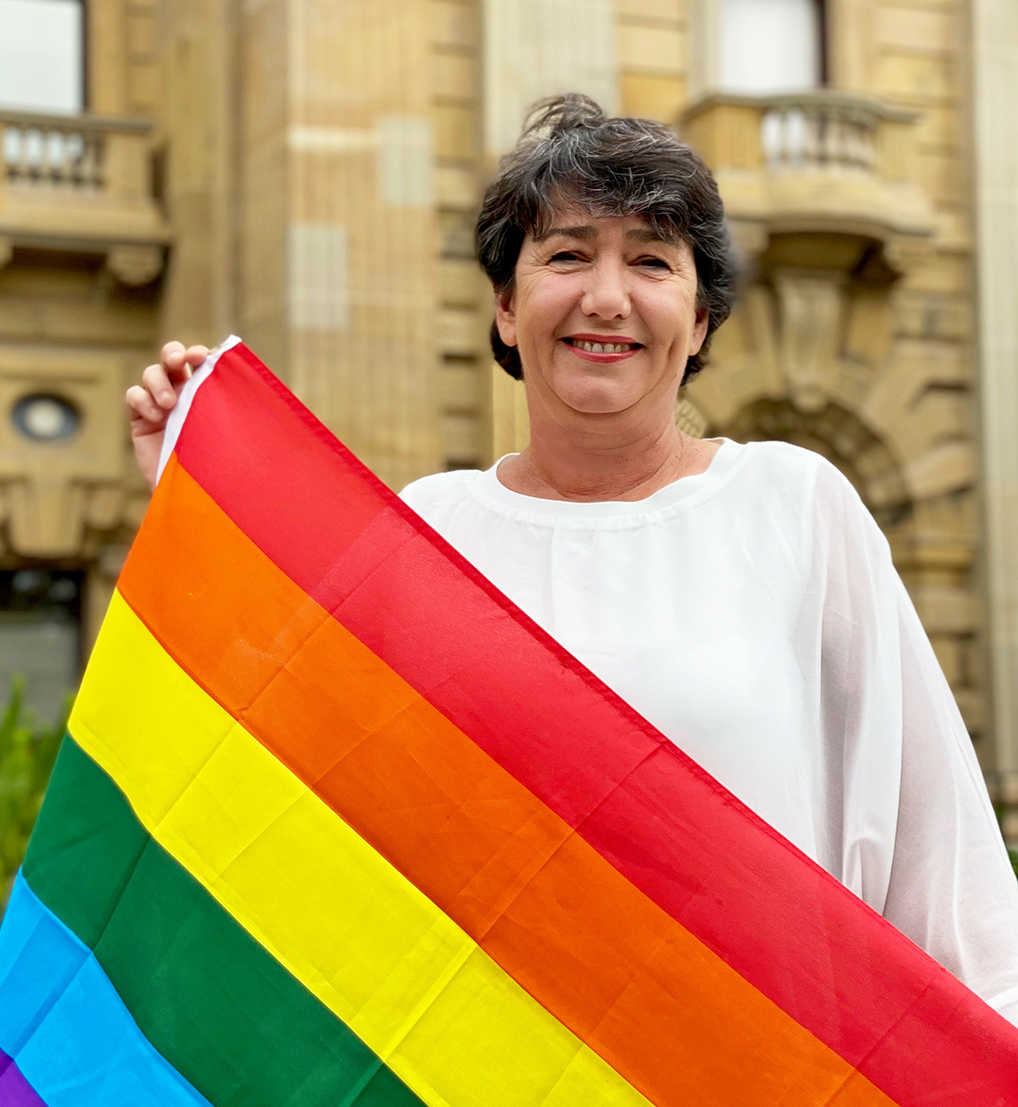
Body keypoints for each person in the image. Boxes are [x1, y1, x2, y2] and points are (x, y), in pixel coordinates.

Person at [126, 94, 1018, 1023]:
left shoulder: (795, 506)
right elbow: (291, 772)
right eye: (566, 254)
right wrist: (191, 511)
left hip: (751, 1063)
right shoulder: (426, 530)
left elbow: (937, 846)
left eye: (650, 260)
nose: (606, 296)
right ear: (507, 310)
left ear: (701, 319)